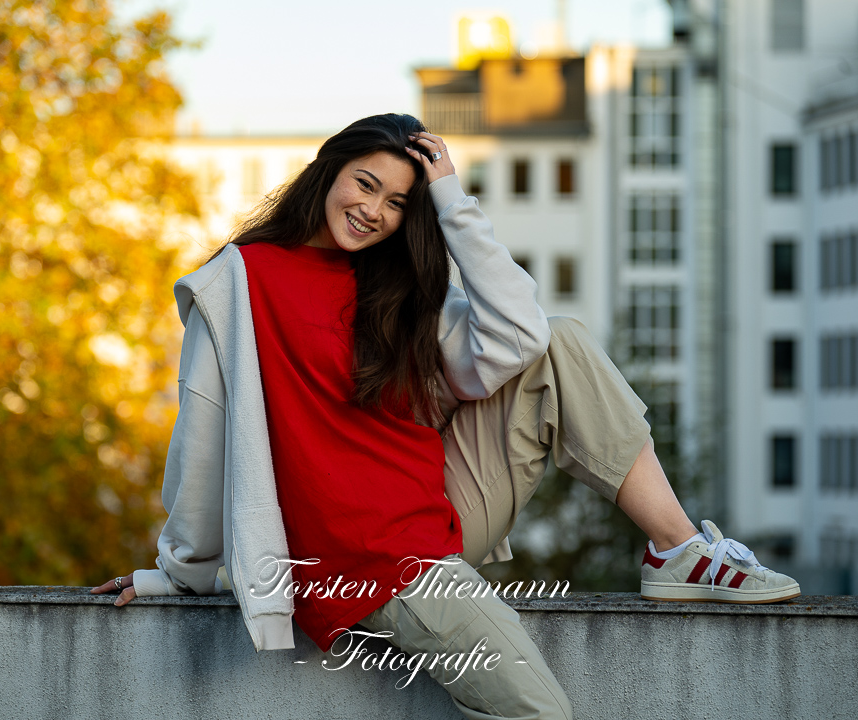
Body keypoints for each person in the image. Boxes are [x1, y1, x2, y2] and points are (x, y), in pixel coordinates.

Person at [92, 113, 800, 719]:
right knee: (537, 710)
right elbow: (204, 439)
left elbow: (521, 337)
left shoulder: (392, 290)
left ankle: (676, 550)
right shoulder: (240, 281)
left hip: (437, 507)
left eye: (399, 202)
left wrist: (452, 200)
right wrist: (181, 573)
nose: (374, 210)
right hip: (369, 560)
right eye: (365, 183)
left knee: (565, 341)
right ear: (327, 171)